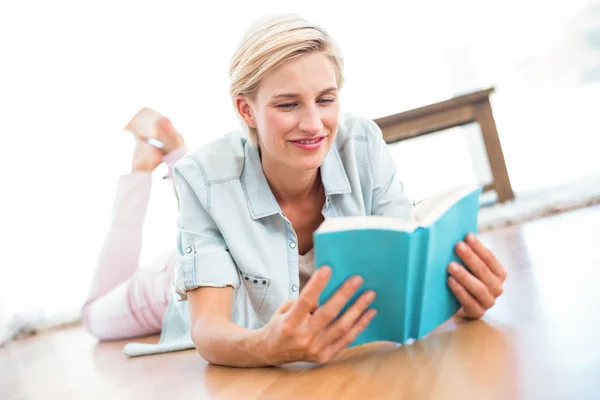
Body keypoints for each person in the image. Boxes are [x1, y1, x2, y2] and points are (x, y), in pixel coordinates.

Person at [171, 13, 507, 368]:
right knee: (105, 315)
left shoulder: (360, 143)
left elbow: (404, 270)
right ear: (246, 110)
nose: (314, 124)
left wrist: (460, 296)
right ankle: (153, 154)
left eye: (326, 100)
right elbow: (207, 328)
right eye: (288, 104)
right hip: (173, 283)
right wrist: (266, 346)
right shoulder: (203, 178)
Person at [81, 112, 187, 341]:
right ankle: (164, 159)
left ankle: (163, 159)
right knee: (92, 316)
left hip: (182, 270)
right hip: (182, 275)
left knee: (96, 310)